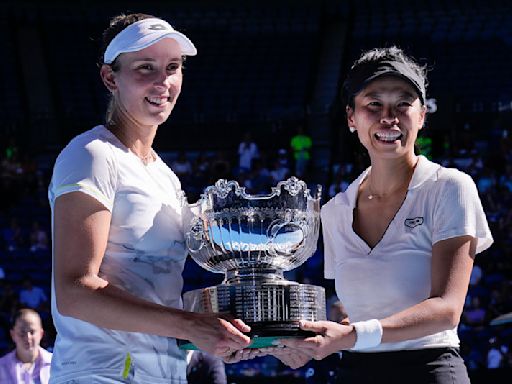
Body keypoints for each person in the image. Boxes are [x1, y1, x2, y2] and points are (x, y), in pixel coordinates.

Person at [48, 13, 251, 383]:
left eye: (172, 67)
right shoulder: (91, 155)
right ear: (111, 78)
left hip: (162, 373)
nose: (163, 82)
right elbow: (74, 291)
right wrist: (190, 325)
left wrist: (227, 329)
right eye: (145, 67)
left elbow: (159, 290)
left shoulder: (165, 177)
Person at [271, 47, 494, 383]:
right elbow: (353, 311)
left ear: (421, 116)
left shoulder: (450, 187)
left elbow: (447, 310)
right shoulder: (333, 212)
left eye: (403, 103)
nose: (388, 117)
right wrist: (307, 340)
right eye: (373, 104)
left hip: (431, 369)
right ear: (352, 118)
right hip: (354, 371)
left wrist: (351, 335)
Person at [0, 309, 52, 383]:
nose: (27, 337)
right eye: (22, 332)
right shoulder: (2, 366)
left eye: (32, 332)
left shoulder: (56, 364)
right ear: (13, 334)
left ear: (41, 334)